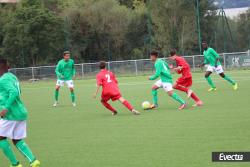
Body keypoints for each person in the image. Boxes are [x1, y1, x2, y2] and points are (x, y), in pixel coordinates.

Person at [0, 59, 40, 167]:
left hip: (10, 114)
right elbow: (18, 91)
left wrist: (6, 107)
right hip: (20, 112)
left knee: (1, 138)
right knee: (16, 140)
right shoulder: (12, 77)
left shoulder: (3, 79)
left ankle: (15, 164)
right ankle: (33, 160)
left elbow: (13, 92)